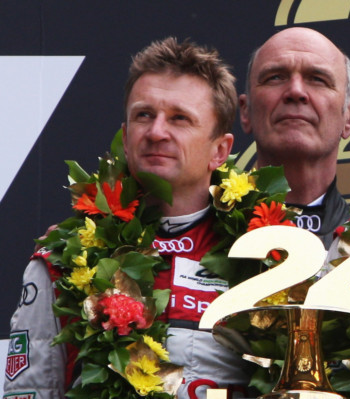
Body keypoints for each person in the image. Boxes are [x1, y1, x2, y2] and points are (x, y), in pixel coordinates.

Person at [3, 37, 252, 399]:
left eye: (180, 118)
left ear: (220, 150)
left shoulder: (264, 255)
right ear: (125, 134)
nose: (156, 132)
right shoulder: (63, 259)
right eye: (144, 115)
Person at [239, 27, 350, 249]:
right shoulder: (203, 235)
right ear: (245, 111)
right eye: (275, 77)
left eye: (317, 79)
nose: (296, 91)